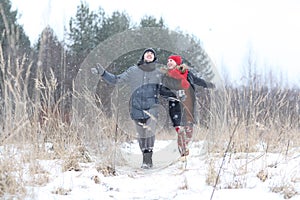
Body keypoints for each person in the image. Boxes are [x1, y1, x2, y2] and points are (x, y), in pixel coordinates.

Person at [91, 48, 165, 169]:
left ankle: (148, 159)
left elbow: (171, 83)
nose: (149, 54)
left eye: (152, 54)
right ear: (143, 56)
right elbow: (116, 80)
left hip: (152, 108)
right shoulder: (133, 70)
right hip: (136, 108)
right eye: (147, 53)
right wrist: (103, 73)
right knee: (141, 135)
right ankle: (145, 156)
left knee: (150, 132)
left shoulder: (158, 72)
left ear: (154, 58)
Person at [162, 55, 215, 157]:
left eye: (171, 60)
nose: (169, 62)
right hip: (175, 104)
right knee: (180, 129)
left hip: (188, 103)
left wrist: (209, 84)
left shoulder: (187, 73)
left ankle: (185, 146)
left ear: (177, 63)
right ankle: (182, 151)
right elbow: (162, 90)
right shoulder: (166, 76)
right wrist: (175, 94)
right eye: (168, 60)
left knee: (189, 131)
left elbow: (198, 80)